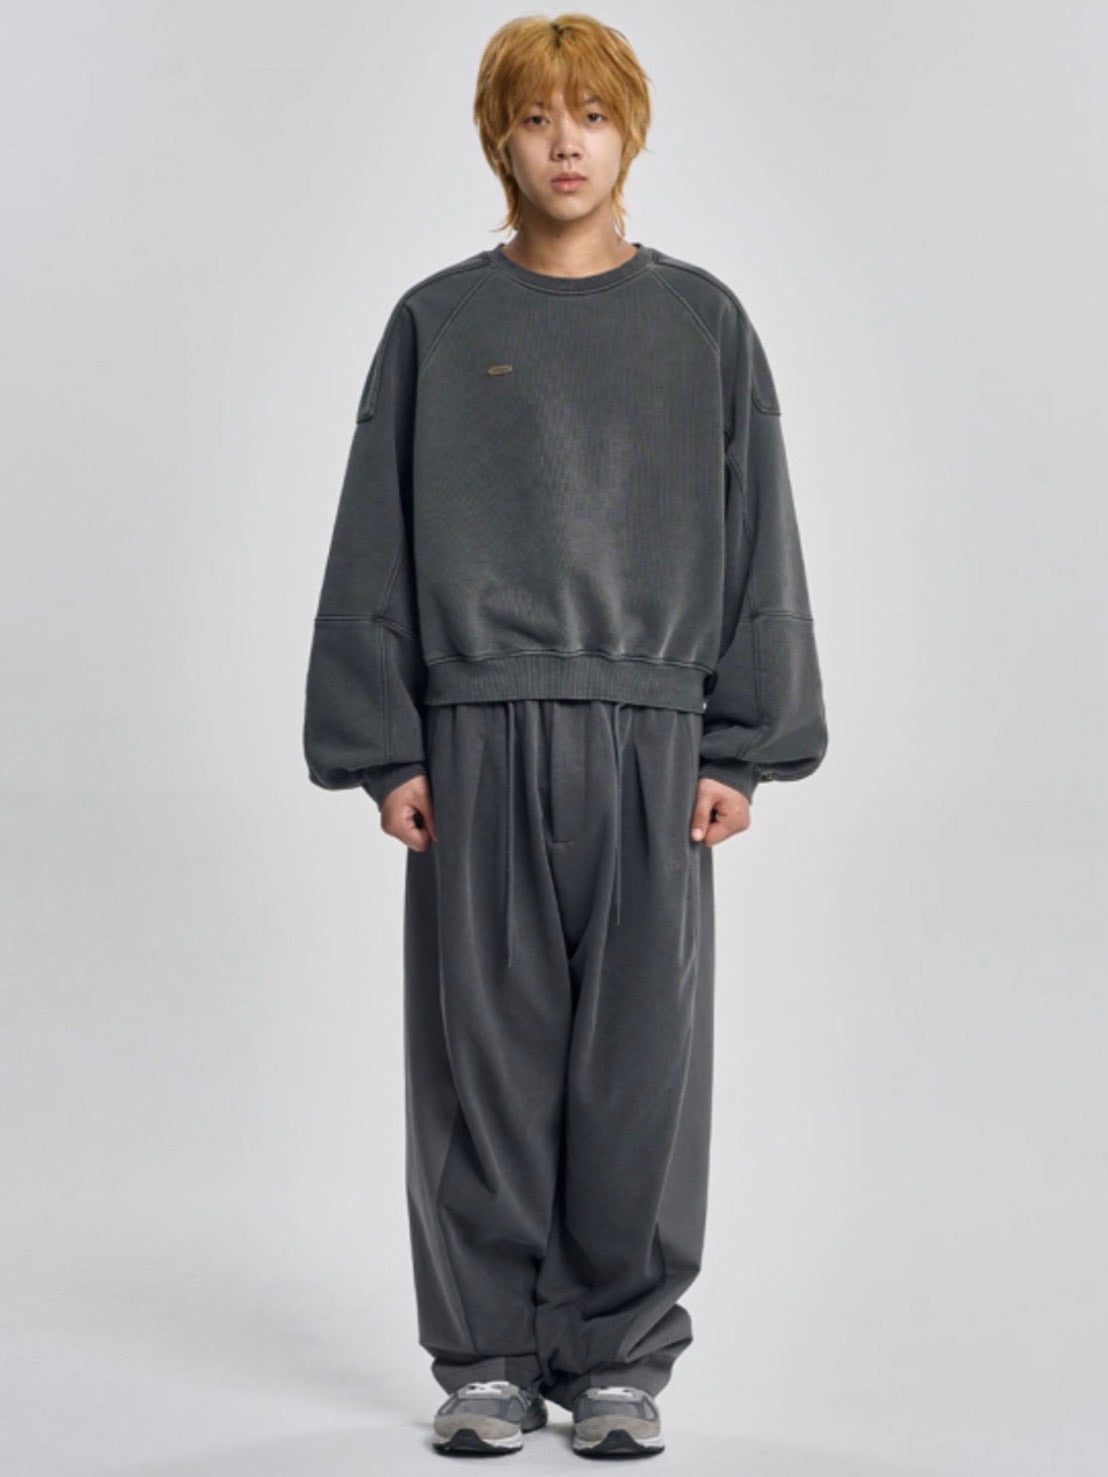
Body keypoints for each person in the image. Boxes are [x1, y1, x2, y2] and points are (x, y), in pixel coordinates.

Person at [303, 11, 828, 1460]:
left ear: (629, 132)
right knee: (481, 1057)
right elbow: (374, 536)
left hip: (656, 739)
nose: (566, 144)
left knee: (639, 1067)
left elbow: (761, 534)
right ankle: (483, 1353)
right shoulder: (438, 321)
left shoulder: (702, 321)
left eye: (591, 115)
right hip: (473, 731)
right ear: (501, 140)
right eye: (536, 118)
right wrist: (384, 744)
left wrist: (742, 744)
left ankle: (615, 1358)